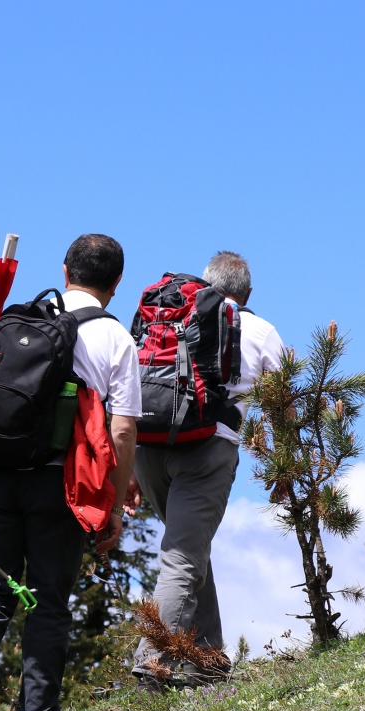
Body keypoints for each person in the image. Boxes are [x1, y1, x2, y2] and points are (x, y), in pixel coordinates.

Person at [0, 234, 140, 711]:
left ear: (65, 269)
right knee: (48, 599)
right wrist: (112, 504)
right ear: (116, 284)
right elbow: (121, 432)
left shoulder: (21, 318)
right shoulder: (116, 339)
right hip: (59, 480)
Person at [129, 251, 285, 688]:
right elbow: (281, 400)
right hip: (208, 446)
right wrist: (284, 464)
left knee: (189, 549)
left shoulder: (178, 316)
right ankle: (152, 661)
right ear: (248, 292)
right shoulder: (260, 328)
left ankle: (208, 659)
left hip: (148, 443)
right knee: (183, 556)